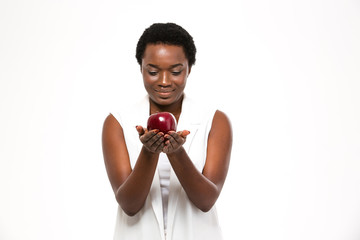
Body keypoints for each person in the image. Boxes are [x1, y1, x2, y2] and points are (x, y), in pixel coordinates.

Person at [102, 23, 232, 240]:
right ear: (141, 68)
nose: (164, 81)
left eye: (175, 71)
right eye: (152, 71)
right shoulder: (118, 122)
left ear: (189, 68)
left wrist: (176, 152)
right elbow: (129, 205)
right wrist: (149, 152)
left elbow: (206, 201)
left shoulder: (215, 120)